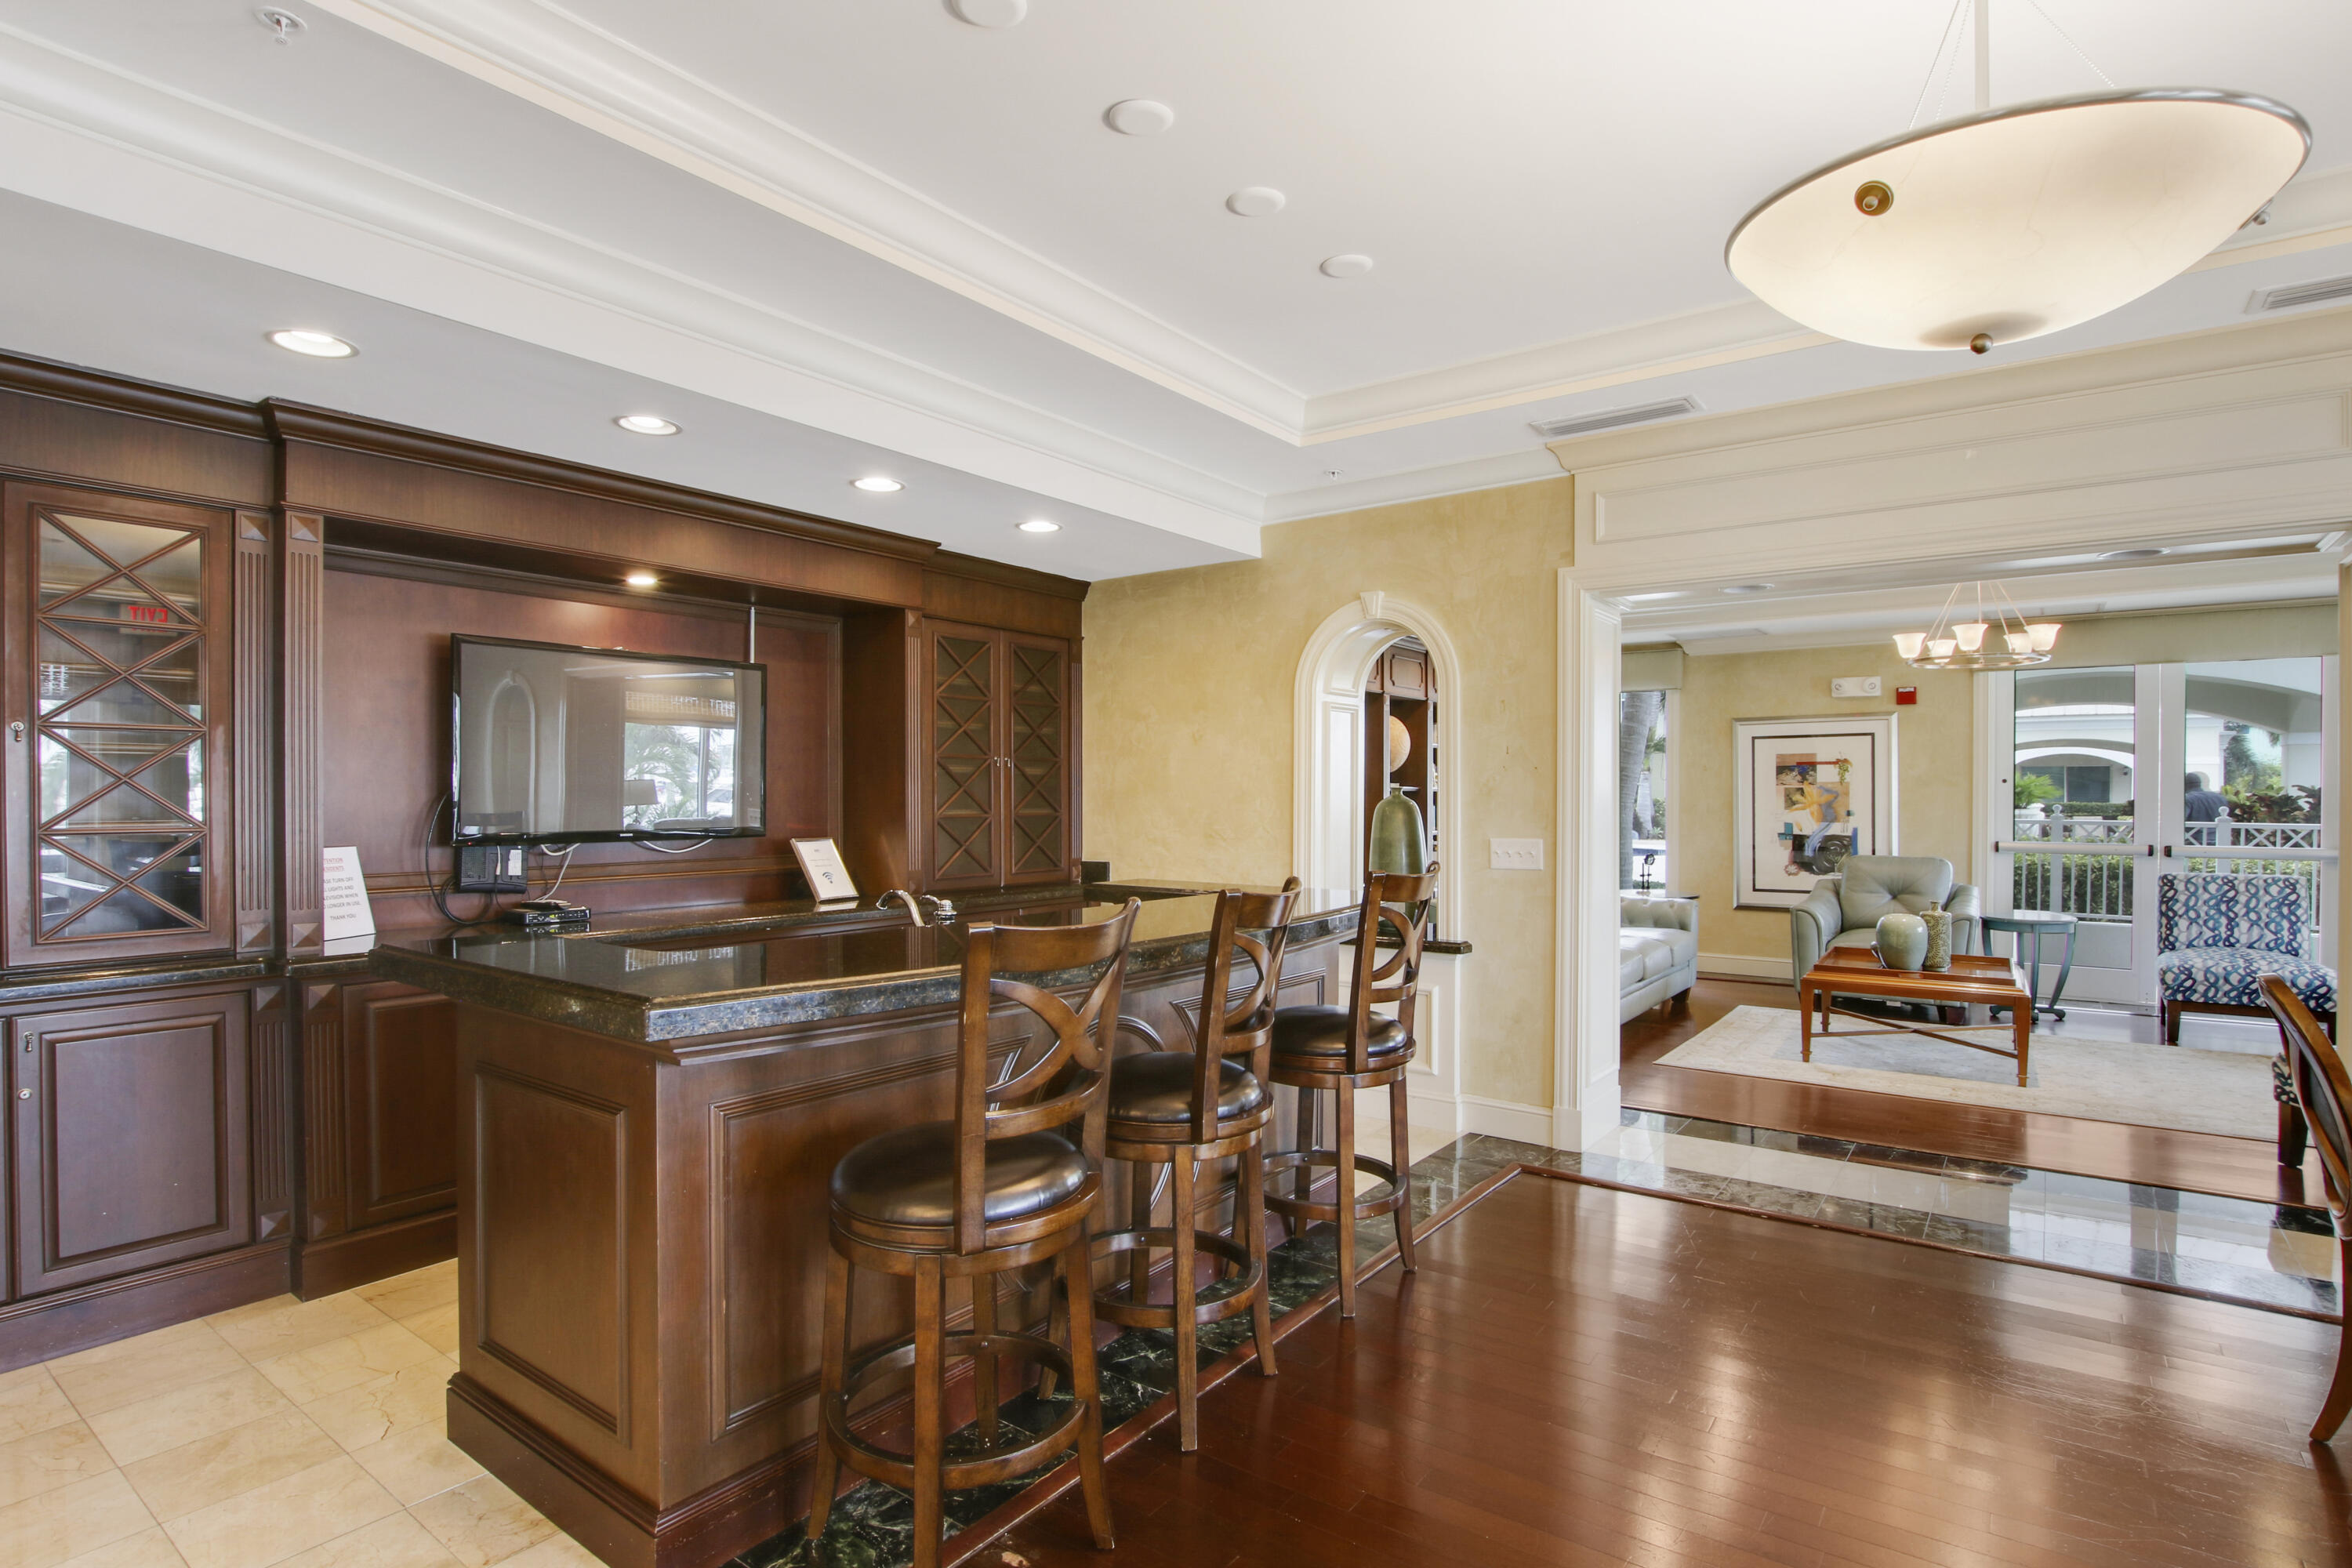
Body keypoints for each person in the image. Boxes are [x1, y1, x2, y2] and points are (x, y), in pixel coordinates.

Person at [2183, 772, 2228, 844]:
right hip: (2219, 840)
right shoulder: (2220, 798)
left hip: (2196, 842)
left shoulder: (2188, 799)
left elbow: (2180, 820)